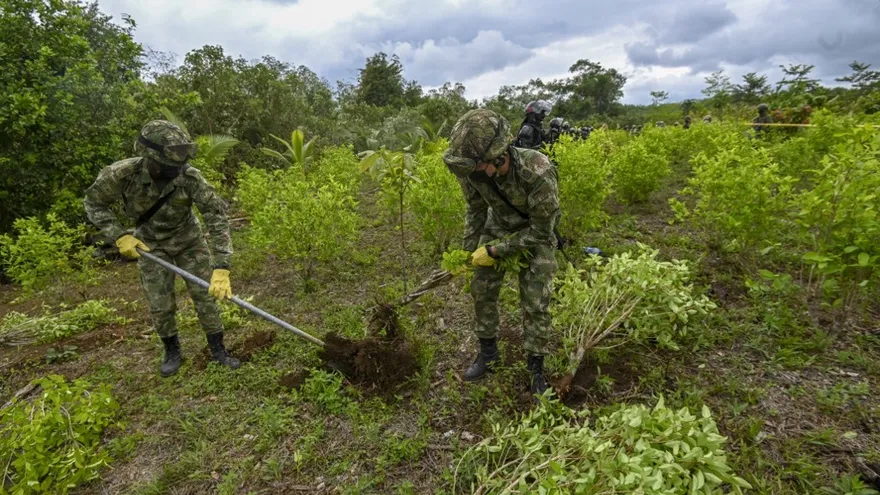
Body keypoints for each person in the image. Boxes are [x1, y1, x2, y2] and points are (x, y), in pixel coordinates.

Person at [84, 120, 240, 377]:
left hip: (189, 240)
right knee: (160, 303)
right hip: (149, 245)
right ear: (149, 157)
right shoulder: (121, 174)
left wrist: (222, 265)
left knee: (205, 295)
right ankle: (172, 350)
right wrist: (119, 236)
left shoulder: (189, 176)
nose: (175, 170)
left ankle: (218, 350)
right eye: (169, 166)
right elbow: (93, 203)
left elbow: (215, 213)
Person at [442, 109, 560, 398]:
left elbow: (542, 231)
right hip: (499, 226)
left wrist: (495, 250)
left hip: (535, 232)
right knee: (481, 288)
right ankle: (489, 353)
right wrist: (467, 254)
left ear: (497, 157)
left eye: (478, 168)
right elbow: (476, 209)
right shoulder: (472, 171)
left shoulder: (538, 170)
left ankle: (536, 366)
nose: (471, 175)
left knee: (535, 300)